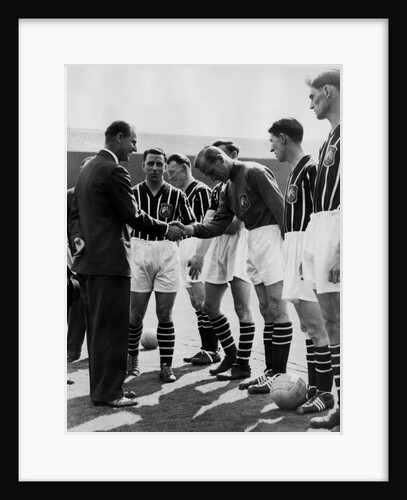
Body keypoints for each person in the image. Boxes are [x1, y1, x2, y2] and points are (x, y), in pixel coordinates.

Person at [67, 121, 185, 408]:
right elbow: (133, 216)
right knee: (111, 330)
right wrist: (167, 228)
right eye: (133, 141)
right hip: (110, 263)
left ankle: (105, 388)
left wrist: (78, 242)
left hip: (90, 264)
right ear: (118, 138)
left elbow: (76, 215)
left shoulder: (87, 170)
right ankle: (110, 393)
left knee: (98, 330)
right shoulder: (113, 170)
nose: (134, 148)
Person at [180, 145, 293, 383]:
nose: (212, 178)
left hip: (270, 236)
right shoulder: (228, 188)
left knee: (277, 306)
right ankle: (270, 371)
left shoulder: (254, 172)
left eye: (212, 172)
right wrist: (190, 229)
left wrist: (291, 248)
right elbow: (218, 224)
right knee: (265, 308)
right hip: (254, 240)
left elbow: (281, 209)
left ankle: (279, 374)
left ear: (221, 159)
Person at [253, 117, 334, 414]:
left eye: (273, 141)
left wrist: (311, 255)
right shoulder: (294, 171)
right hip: (293, 247)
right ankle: (314, 388)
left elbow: (322, 215)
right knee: (307, 326)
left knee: (317, 326)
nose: (271, 147)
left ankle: (325, 393)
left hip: (307, 247)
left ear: (284, 139)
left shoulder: (311, 168)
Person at [127, 148, 196, 383]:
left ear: (165, 167)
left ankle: (166, 365)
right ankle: (132, 359)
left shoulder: (177, 195)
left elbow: (190, 226)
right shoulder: (133, 193)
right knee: (135, 313)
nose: (155, 168)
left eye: (159, 164)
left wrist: (182, 236)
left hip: (167, 252)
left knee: (164, 313)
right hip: (139, 250)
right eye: (150, 164)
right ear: (143, 166)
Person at [187, 140, 255, 376]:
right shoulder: (218, 190)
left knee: (242, 307)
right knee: (209, 306)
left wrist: (213, 225)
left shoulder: (245, 180)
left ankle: (243, 365)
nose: (213, 174)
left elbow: (235, 225)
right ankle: (231, 354)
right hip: (219, 246)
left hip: (240, 246)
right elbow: (210, 222)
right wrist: (199, 253)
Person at [302, 69, 341, 431]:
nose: (310, 103)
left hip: (340, 229)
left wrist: (342, 250)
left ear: (328, 91)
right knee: (332, 321)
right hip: (323, 227)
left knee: (341, 320)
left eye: (313, 96)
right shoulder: (327, 140)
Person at [166, 153, 220, 365]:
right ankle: (206, 349)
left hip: (198, 249)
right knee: (196, 303)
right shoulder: (180, 194)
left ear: (185, 167)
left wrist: (200, 254)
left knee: (203, 301)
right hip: (185, 249)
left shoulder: (201, 191)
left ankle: (212, 350)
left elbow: (209, 225)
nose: (170, 177)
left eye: (172, 172)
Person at [66, 156, 94, 363]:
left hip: (99, 261)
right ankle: (72, 350)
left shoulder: (102, 195)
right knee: (77, 303)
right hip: (73, 261)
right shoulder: (68, 196)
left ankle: (98, 353)